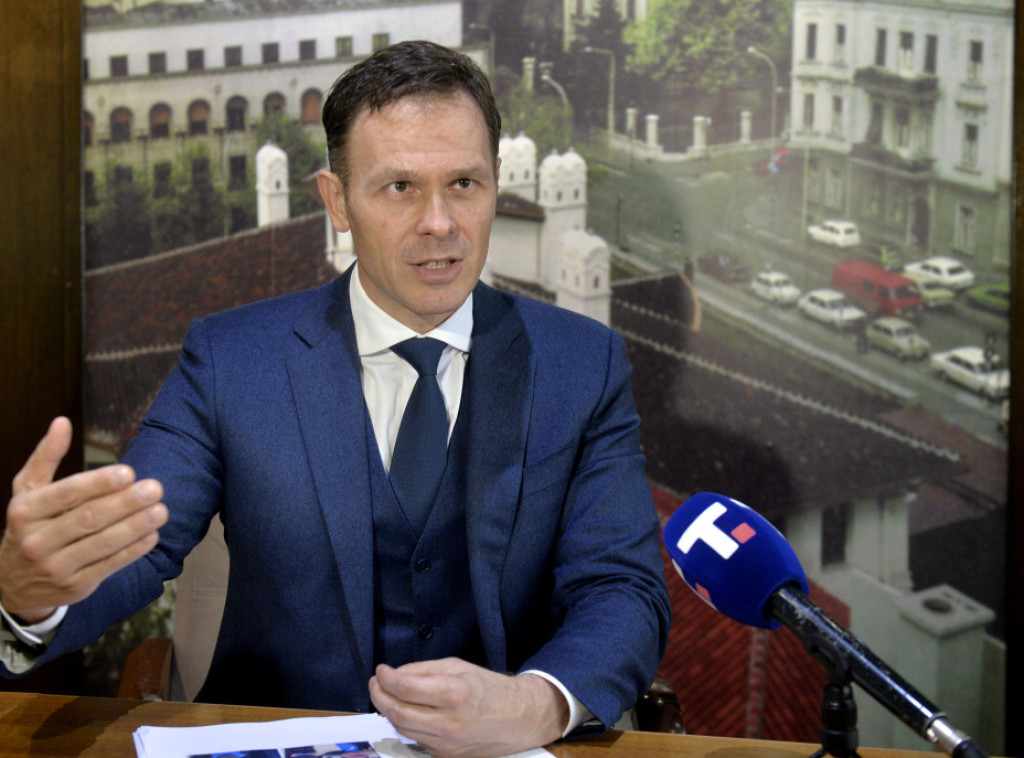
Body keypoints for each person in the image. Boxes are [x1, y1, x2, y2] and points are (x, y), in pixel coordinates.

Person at [0, 41, 670, 758]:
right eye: (400, 187)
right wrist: (28, 599)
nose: (439, 222)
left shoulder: (583, 364)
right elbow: (137, 544)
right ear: (337, 200)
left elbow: (623, 590)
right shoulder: (231, 361)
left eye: (464, 183)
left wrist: (534, 704)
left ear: (497, 183)